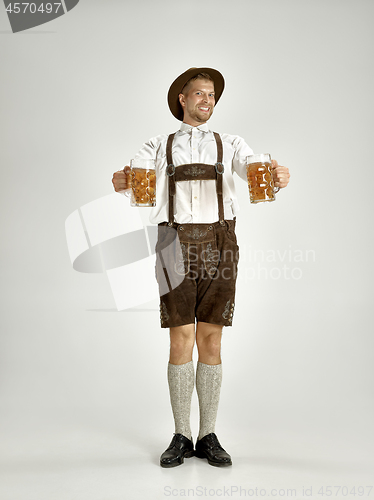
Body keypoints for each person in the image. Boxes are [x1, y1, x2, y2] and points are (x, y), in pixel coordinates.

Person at [112, 67, 290, 468]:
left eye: (211, 95)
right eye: (199, 94)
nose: (207, 100)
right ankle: (180, 434)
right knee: (180, 339)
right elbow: (133, 179)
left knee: (211, 340)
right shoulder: (158, 144)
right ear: (182, 99)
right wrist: (121, 180)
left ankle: (208, 434)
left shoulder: (232, 143)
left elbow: (253, 172)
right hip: (171, 243)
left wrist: (278, 176)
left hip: (221, 243)